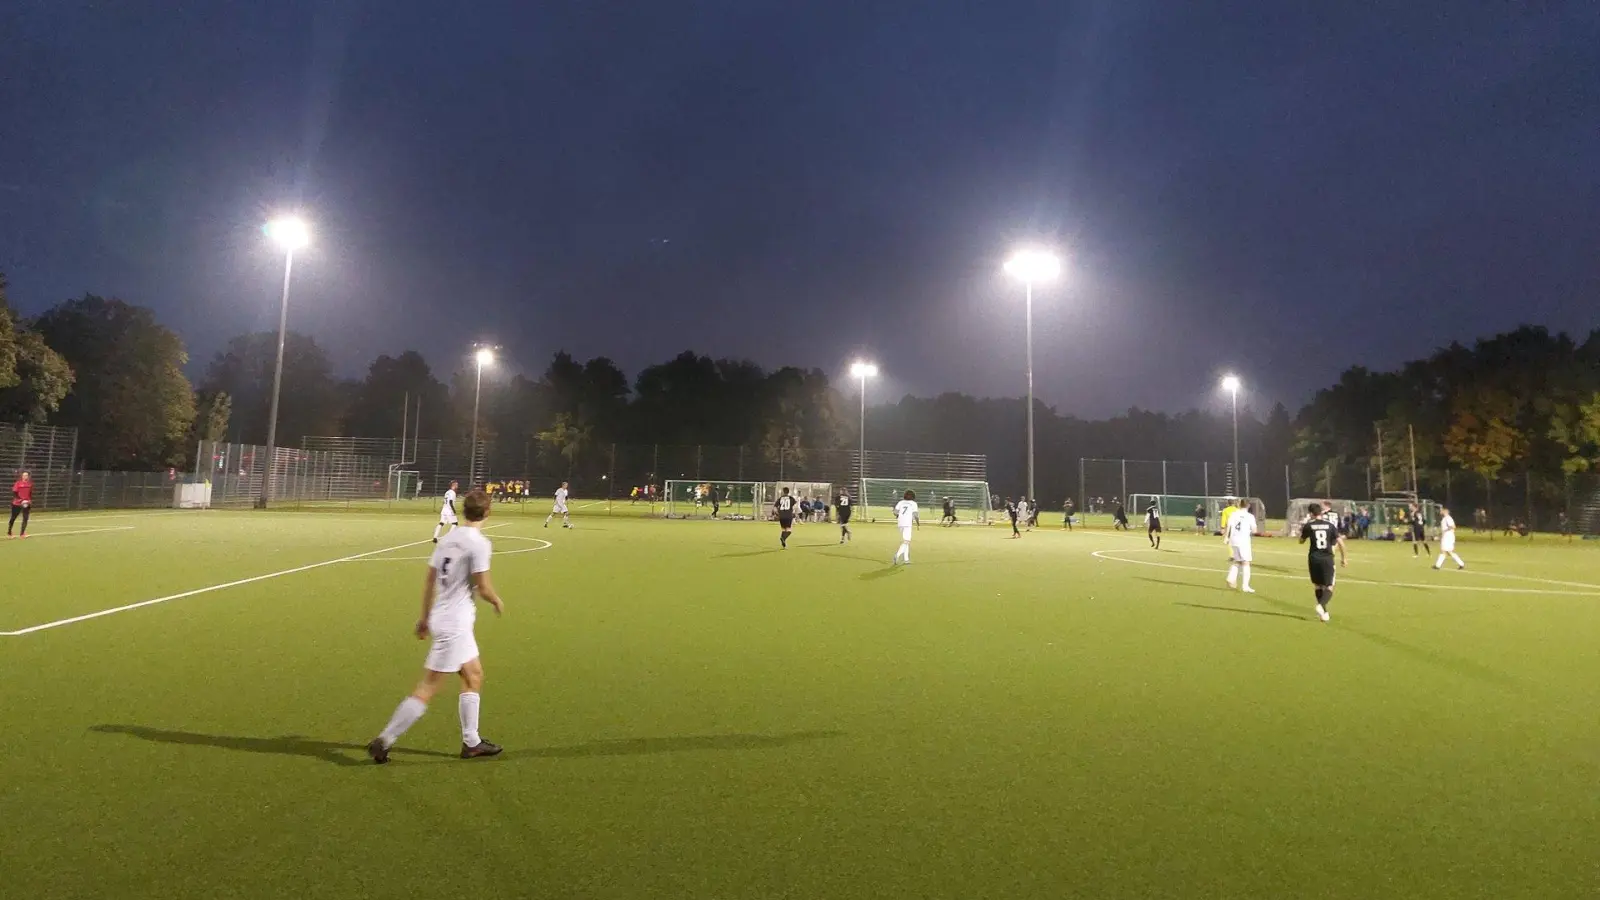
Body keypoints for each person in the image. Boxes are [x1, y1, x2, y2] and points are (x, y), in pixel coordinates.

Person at [367, 489, 505, 763]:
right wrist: (496, 600)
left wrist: (424, 617)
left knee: (473, 675)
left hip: (446, 619)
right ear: (487, 513)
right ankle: (385, 739)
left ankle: (472, 742)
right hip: (455, 624)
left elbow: (430, 579)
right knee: (429, 687)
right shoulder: (478, 543)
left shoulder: (447, 538)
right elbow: (483, 586)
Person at [1298, 502, 1347, 622]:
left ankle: (1323, 613)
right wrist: (1344, 558)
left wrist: (1303, 533)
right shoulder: (1330, 526)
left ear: (1311, 513)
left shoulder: (1308, 526)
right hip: (1327, 558)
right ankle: (1321, 606)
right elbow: (1340, 542)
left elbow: (1301, 541)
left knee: (1318, 585)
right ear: (1321, 512)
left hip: (1314, 558)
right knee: (1329, 586)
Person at [1225, 501, 1257, 592]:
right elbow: (1254, 530)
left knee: (1237, 561)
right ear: (1248, 505)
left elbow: (1229, 526)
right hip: (1243, 541)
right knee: (1246, 562)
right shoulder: (1250, 516)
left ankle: (1231, 578)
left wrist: (1227, 538)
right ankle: (1245, 586)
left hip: (1234, 539)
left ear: (1239, 505)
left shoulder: (1234, 514)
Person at [892, 489, 919, 565]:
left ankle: (906, 559)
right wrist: (918, 523)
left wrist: (899, 515)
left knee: (905, 541)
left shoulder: (900, 502)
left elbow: (895, 512)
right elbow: (916, 515)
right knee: (906, 541)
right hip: (908, 524)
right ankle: (897, 555)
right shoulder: (913, 504)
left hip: (900, 523)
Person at [8, 470, 32, 539]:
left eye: (26, 475)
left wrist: (29, 500)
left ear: (28, 476)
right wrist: (21, 500)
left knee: (25, 518)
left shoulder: (30, 484)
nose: (25, 476)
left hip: (26, 504)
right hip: (17, 504)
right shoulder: (18, 483)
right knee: (13, 518)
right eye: (24, 475)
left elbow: (30, 493)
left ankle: (22, 534)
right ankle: (9, 532)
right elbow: (14, 493)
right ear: (22, 476)